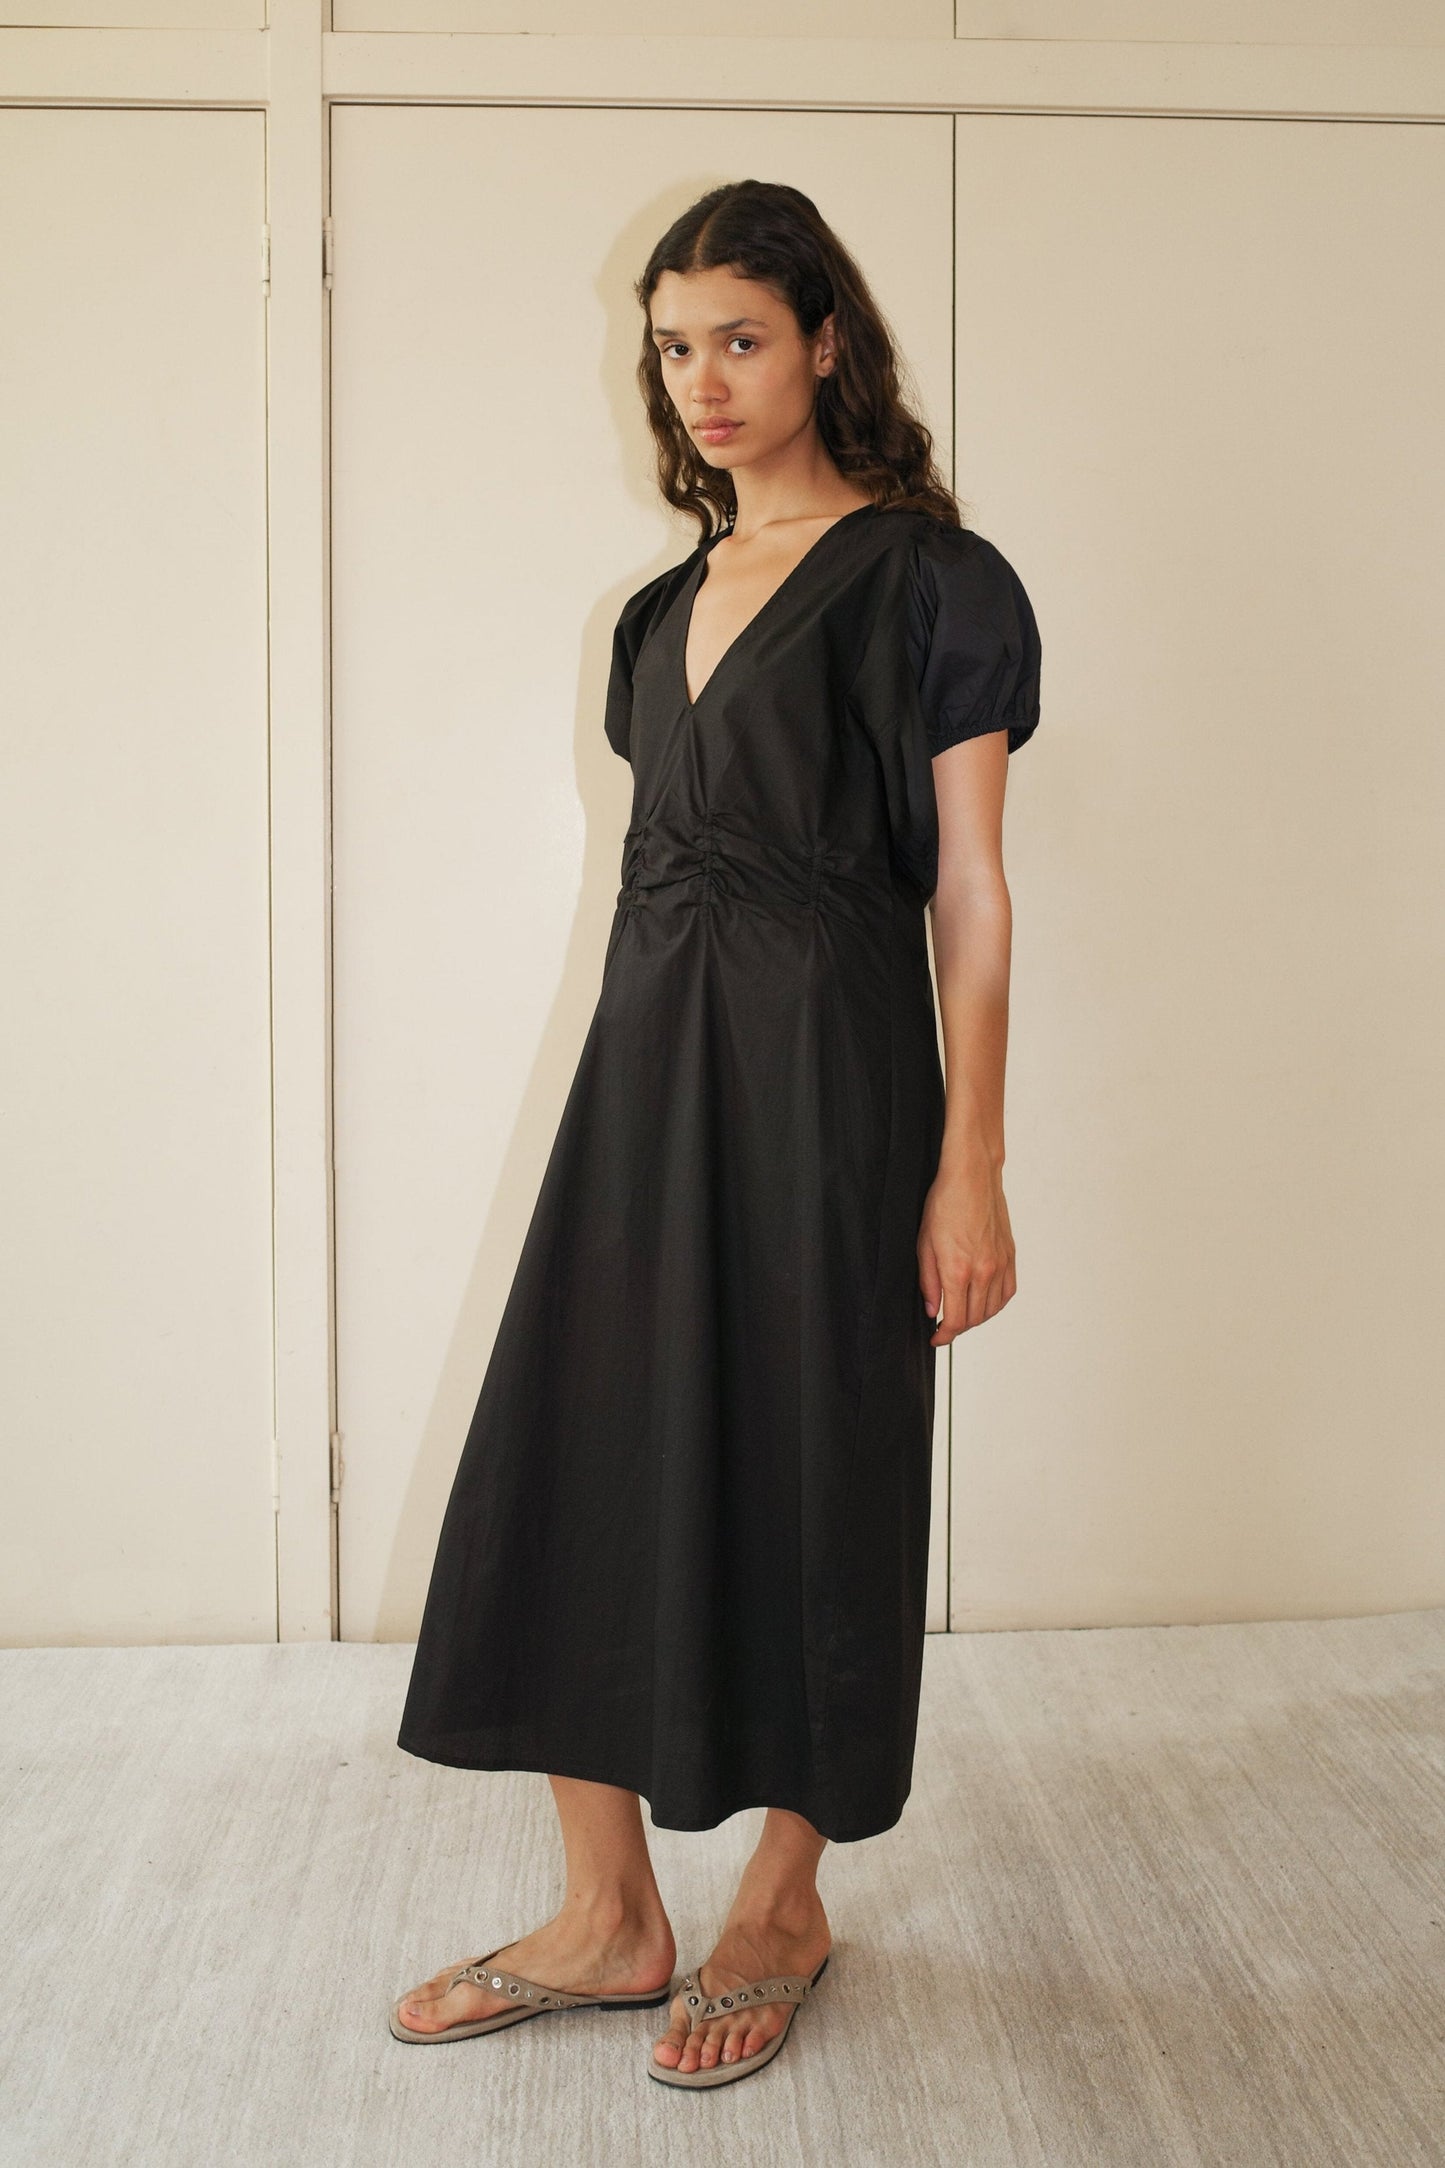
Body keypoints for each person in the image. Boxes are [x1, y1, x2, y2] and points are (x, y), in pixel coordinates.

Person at [388, 178, 1042, 2089]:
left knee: (813, 1461)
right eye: (671, 348)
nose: (701, 382)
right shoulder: (657, 612)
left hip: (834, 1089)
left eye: (739, 338)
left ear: (825, 338)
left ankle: (781, 1896)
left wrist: (971, 1158)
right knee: (572, 1448)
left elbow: (975, 894)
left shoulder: (932, 580)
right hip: (644, 1076)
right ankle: (607, 1912)